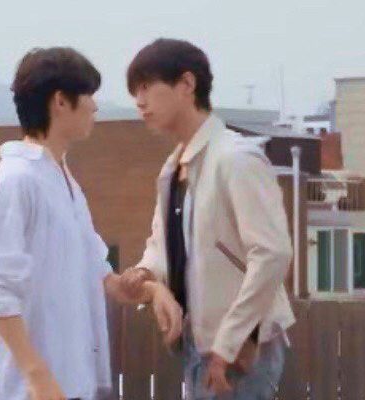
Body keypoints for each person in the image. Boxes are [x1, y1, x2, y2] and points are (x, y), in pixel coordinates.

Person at [0, 47, 183, 400]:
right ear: (60, 102)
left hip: (72, 382)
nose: (95, 107)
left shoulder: (62, 179)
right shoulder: (15, 179)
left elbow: (104, 278)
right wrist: (36, 376)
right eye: (88, 95)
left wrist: (154, 291)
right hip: (33, 390)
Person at [119, 38, 296, 399]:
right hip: (199, 345)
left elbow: (272, 253)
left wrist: (232, 340)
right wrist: (145, 273)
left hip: (242, 347)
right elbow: (161, 245)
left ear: (187, 84)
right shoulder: (173, 168)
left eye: (147, 86)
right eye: (135, 91)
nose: (139, 101)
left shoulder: (235, 157)